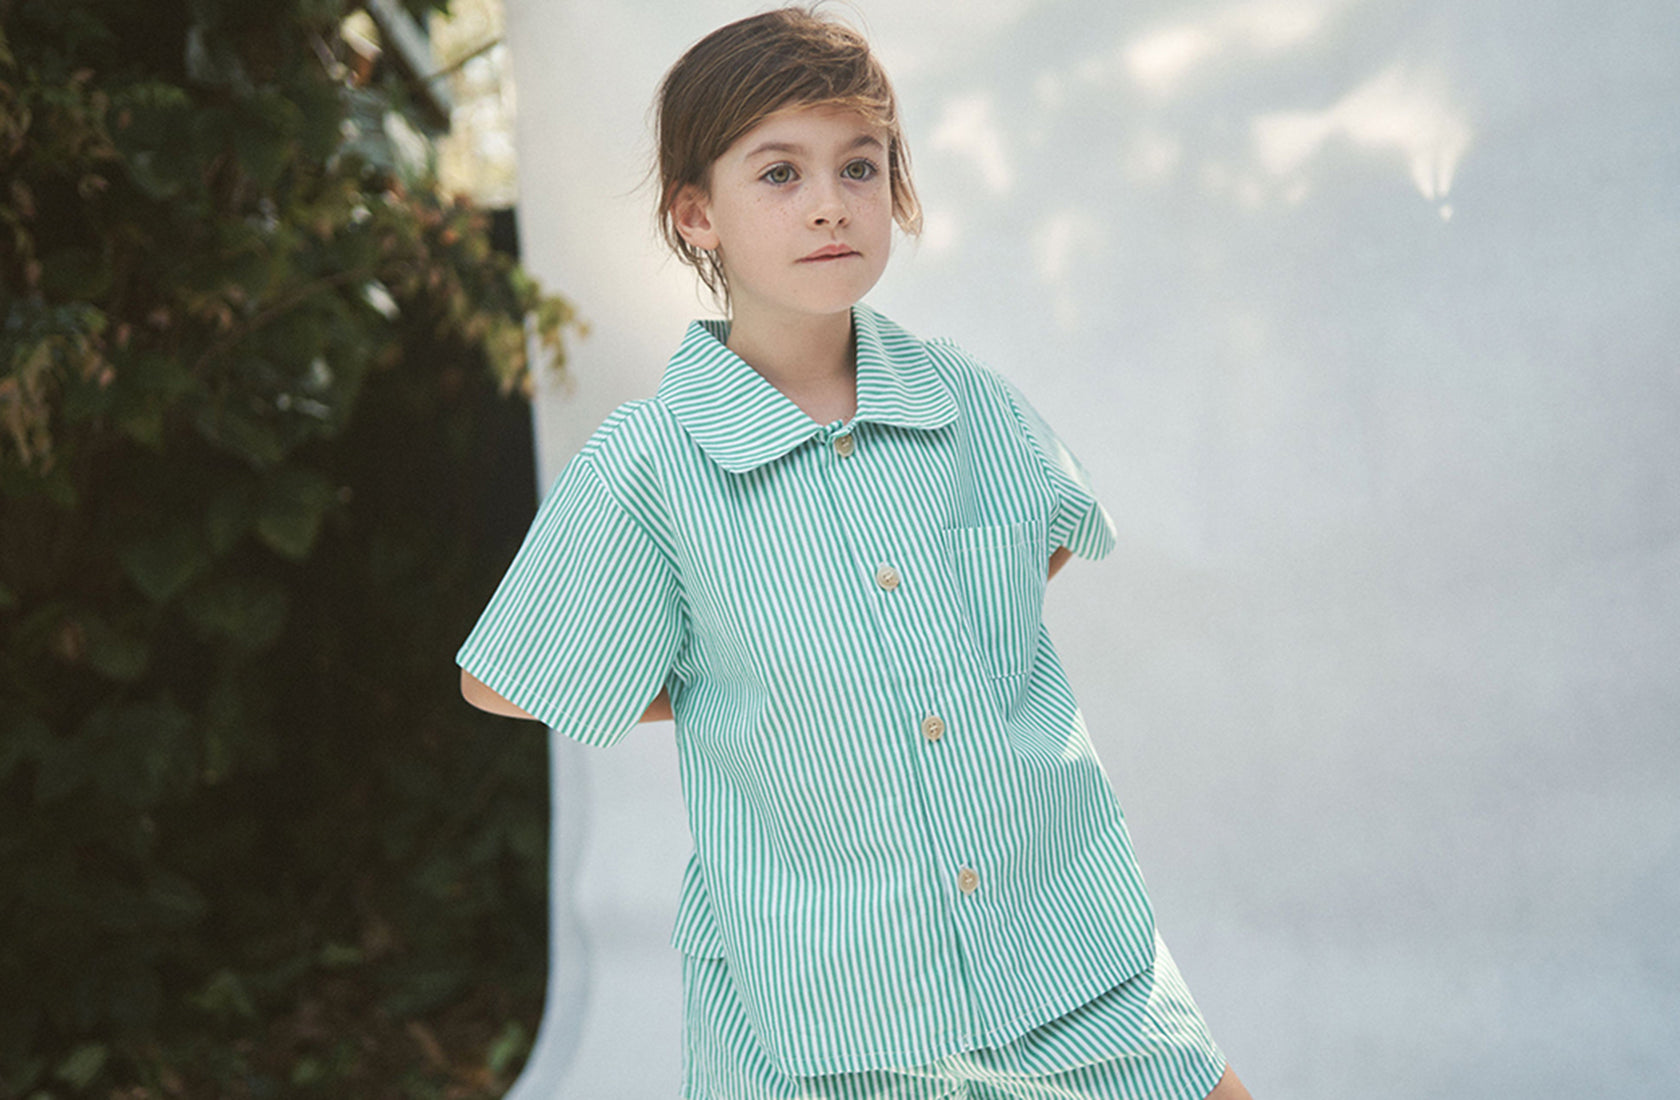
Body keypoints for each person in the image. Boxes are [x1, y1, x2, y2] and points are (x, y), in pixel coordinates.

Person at [457, 7, 1255, 1099]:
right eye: (779, 173)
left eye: (860, 166)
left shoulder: (966, 401)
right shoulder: (655, 464)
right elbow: (506, 675)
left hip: (1064, 942)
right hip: (827, 1001)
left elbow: (1044, 546)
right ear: (697, 213)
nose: (831, 200)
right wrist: (722, 679)